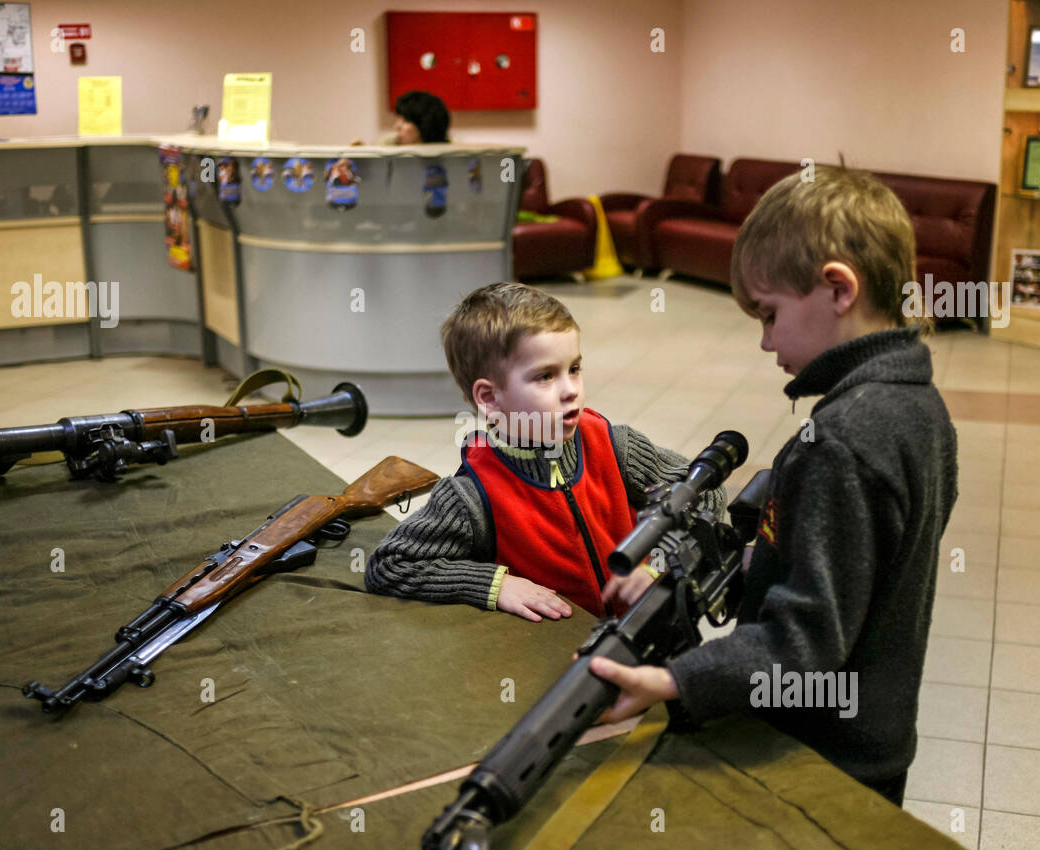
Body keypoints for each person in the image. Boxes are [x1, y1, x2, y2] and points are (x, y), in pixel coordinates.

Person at [588, 165, 959, 808]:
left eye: (769, 313)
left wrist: (672, 680)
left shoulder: (846, 437)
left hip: (816, 760)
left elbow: (802, 644)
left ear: (837, 288)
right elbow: (820, 559)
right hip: (871, 739)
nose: (764, 341)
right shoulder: (915, 405)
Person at [364, 281, 723, 623]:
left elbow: (705, 488)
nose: (571, 391)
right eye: (545, 376)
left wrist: (658, 562)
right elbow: (389, 564)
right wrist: (495, 584)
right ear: (489, 398)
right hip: (557, 666)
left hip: (652, 639)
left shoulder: (616, 446)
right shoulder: (471, 495)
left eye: (575, 369)